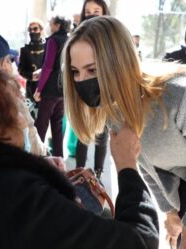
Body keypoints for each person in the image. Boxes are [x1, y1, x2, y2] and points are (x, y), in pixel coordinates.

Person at [0, 60, 159, 249]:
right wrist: (127, 166)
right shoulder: (20, 201)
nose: (22, 119)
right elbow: (138, 242)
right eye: (16, 108)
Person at [63, 16, 186, 249]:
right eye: (75, 72)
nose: (82, 80)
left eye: (92, 69)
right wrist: (170, 210)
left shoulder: (182, 96)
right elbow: (145, 162)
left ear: (118, 62)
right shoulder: (115, 108)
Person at [0, 31, 47, 156]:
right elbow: (35, 147)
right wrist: (47, 157)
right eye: (10, 60)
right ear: (4, 64)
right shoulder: (10, 100)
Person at [75, 0, 111, 178]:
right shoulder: (77, 36)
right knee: (82, 135)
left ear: (105, 13)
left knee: (102, 135)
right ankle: (79, 173)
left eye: (97, 10)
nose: (91, 14)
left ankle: (98, 174)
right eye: (87, 11)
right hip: (82, 90)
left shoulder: (111, 38)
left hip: (105, 92)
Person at [33, 16, 70, 157]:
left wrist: (39, 89)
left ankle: (36, 157)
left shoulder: (53, 40)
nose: (49, 26)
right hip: (63, 89)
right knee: (57, 125)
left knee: (41, 125)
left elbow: (48, 66)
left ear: (57, 25)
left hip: (50, 90)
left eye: (50, 23)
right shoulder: (69, 40)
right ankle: (59, 158)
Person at [18, 19, 45, 118]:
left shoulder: (48, 47)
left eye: (35, 29)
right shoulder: (24, 50)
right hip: (31, 88)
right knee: (32, 118)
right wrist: (31, 76)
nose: (32, 32)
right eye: (30, 29)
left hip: (46, 88)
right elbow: (21, 69)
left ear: (41, 30)